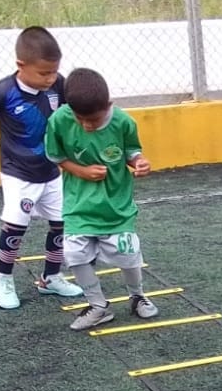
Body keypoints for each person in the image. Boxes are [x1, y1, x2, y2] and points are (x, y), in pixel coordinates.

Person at [0, 26, 88, 311]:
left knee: (62, 223)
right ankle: (3, 278)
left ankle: (51, 278)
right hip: (18, 172)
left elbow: (74, 113)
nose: (50, 78)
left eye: (54, 72)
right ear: (21, 65)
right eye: (43, 73)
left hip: (51, 170)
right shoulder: (2, 92)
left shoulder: (57, 85)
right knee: (16, 224)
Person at [42, 68, 157, 332]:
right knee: (74, 254)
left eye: (93, 119)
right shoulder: (59, 120)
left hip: (116, 206)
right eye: (80, 118)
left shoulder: (123, 122)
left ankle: (137, 295)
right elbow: (57, 157)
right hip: (78, 205)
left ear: (108, 105)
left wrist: (139, 162)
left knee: (128, 254)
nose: (86, 125)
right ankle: (98, 306)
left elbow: (132, 151)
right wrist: (81, 171)